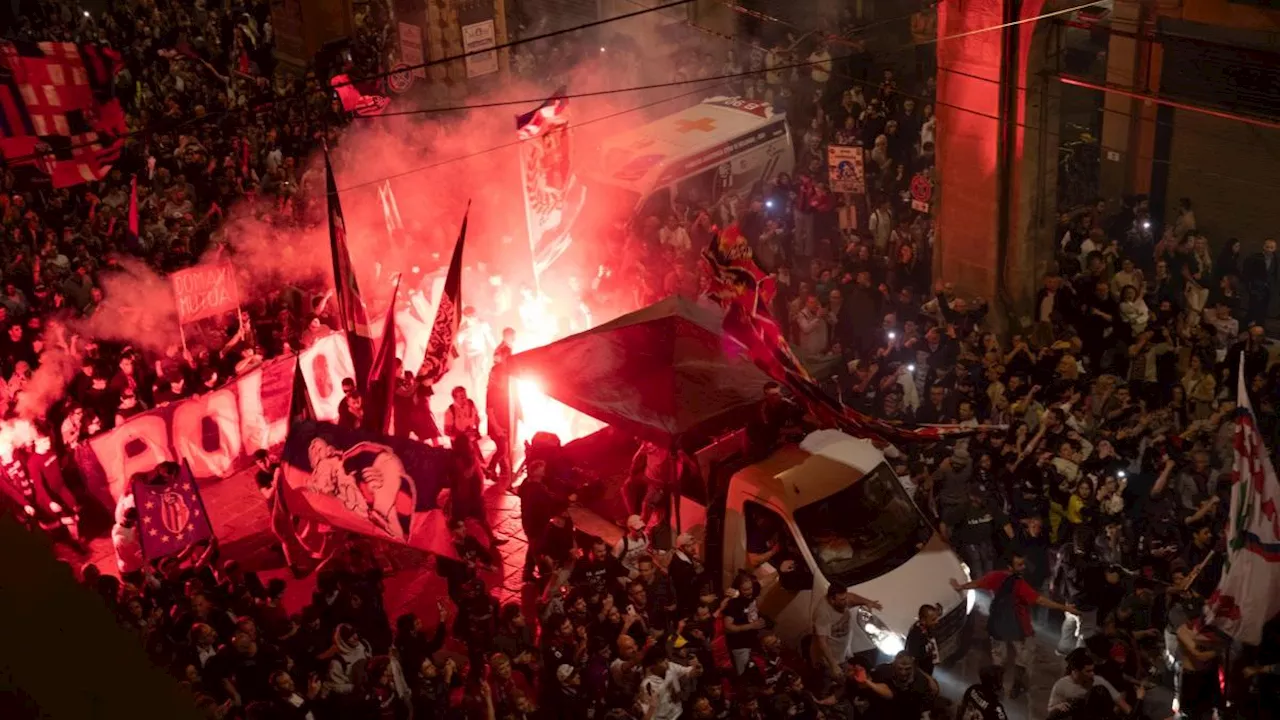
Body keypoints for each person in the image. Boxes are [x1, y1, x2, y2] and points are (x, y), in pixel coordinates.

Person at [951, 551, 1079, 698]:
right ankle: (1017, 686)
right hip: (1020, 627)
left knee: (998, 657)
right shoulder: (1019, 584)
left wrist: (961, 587)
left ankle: (996, 685)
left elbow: (978, 583)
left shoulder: (995, 576)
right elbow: (1041, 600)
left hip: (998, 625)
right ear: (1009, 567)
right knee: (1024, 657)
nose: (1023, 567)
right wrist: (1065, 608)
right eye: (1019, 565)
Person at [811, 585, 882, 680]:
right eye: (842, 600)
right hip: (832, 657)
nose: (846, 601)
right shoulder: (822, 613)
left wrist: (868, 602)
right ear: (832, 600)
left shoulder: (842, 600)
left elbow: (852, 597)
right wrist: (833, 665)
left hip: (843, 652)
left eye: (845, 598)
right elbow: (822, 642)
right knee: (842, 681)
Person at [1047, 648, 1138, 716]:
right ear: (1076, 671)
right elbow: (1050, 710)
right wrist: (1057, 707)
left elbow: (1124, 705)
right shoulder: (1061, 685)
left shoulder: (1098, 681)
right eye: (1088, 671)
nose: (1092, 674)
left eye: (1093, 670)